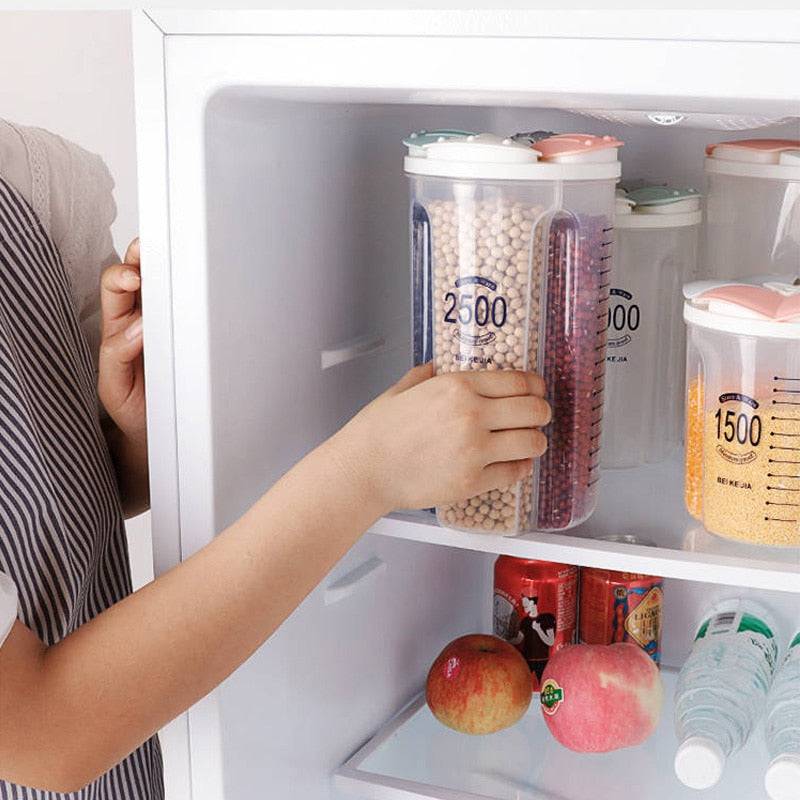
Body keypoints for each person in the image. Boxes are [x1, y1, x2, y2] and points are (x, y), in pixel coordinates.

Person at [0, 121, 551, 798]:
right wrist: (366, 472)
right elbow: (39, 732)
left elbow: (46, 521)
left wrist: (136, 441)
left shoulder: (33, 178)